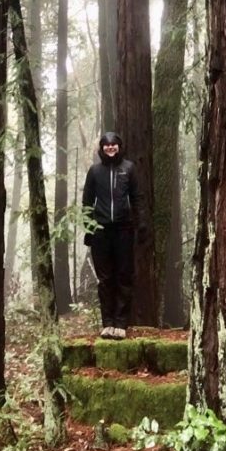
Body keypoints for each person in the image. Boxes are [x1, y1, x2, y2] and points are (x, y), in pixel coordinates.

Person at [82, 131, 145, 339]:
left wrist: (141, 224)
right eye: (106, 145)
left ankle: (121, 323)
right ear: (101, 148)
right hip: (100, 231)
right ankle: (107, 322)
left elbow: (136, 198)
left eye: (113, 145)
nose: (110, 148)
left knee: (123, 276)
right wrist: (89, 229)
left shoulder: (129, 169)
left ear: (119, 146)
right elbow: (87, 203)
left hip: (123, 229)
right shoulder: (94, 171)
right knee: (105, 278)